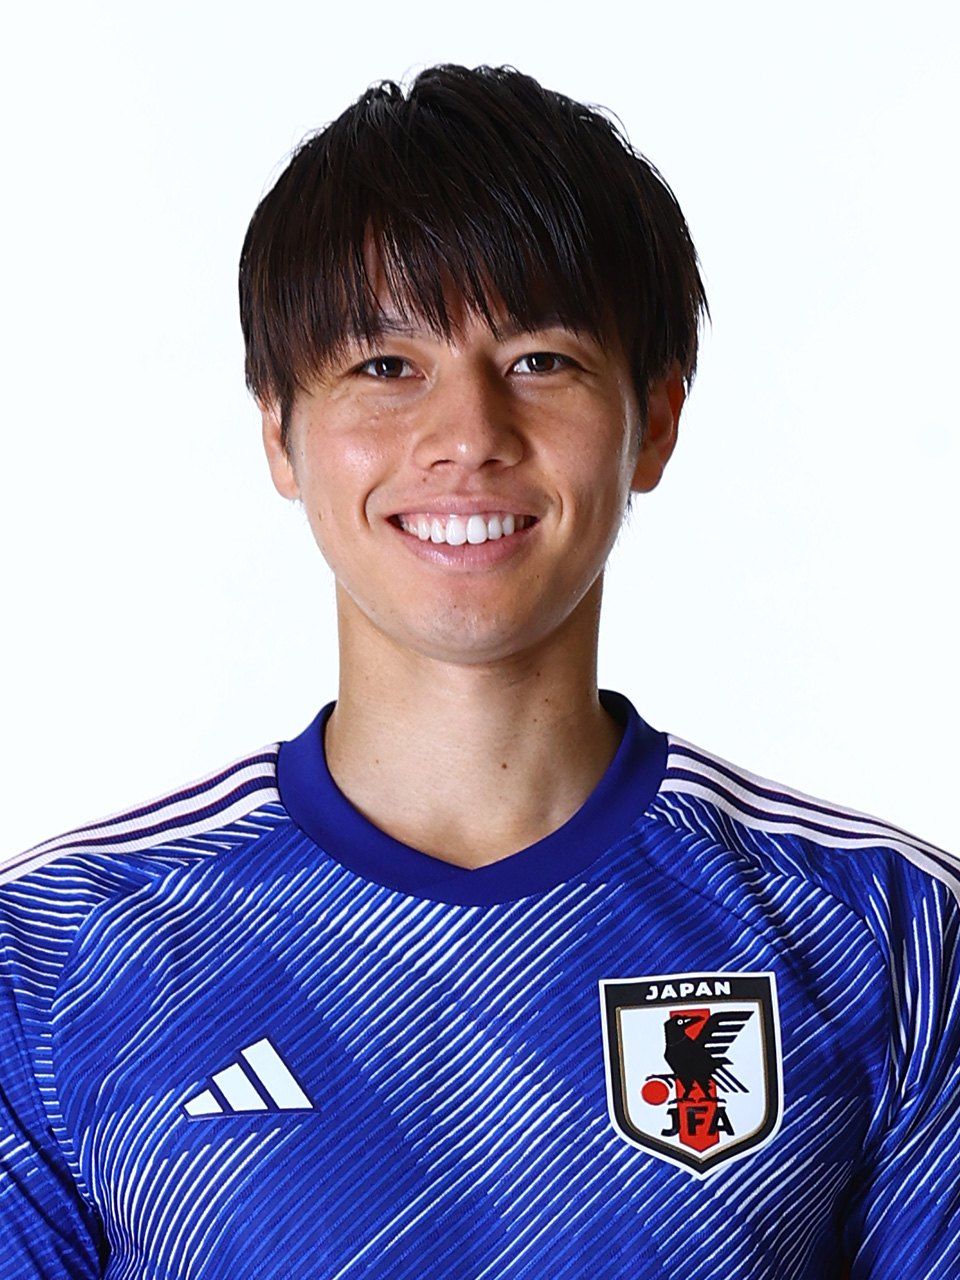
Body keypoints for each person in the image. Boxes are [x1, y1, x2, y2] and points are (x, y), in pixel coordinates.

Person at [1, 62, 956, 1280]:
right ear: (278, 429)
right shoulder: (57, 955)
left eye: (540, 360)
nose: (467, 437)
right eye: (385, 366)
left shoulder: (886, 931)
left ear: (655, 420)